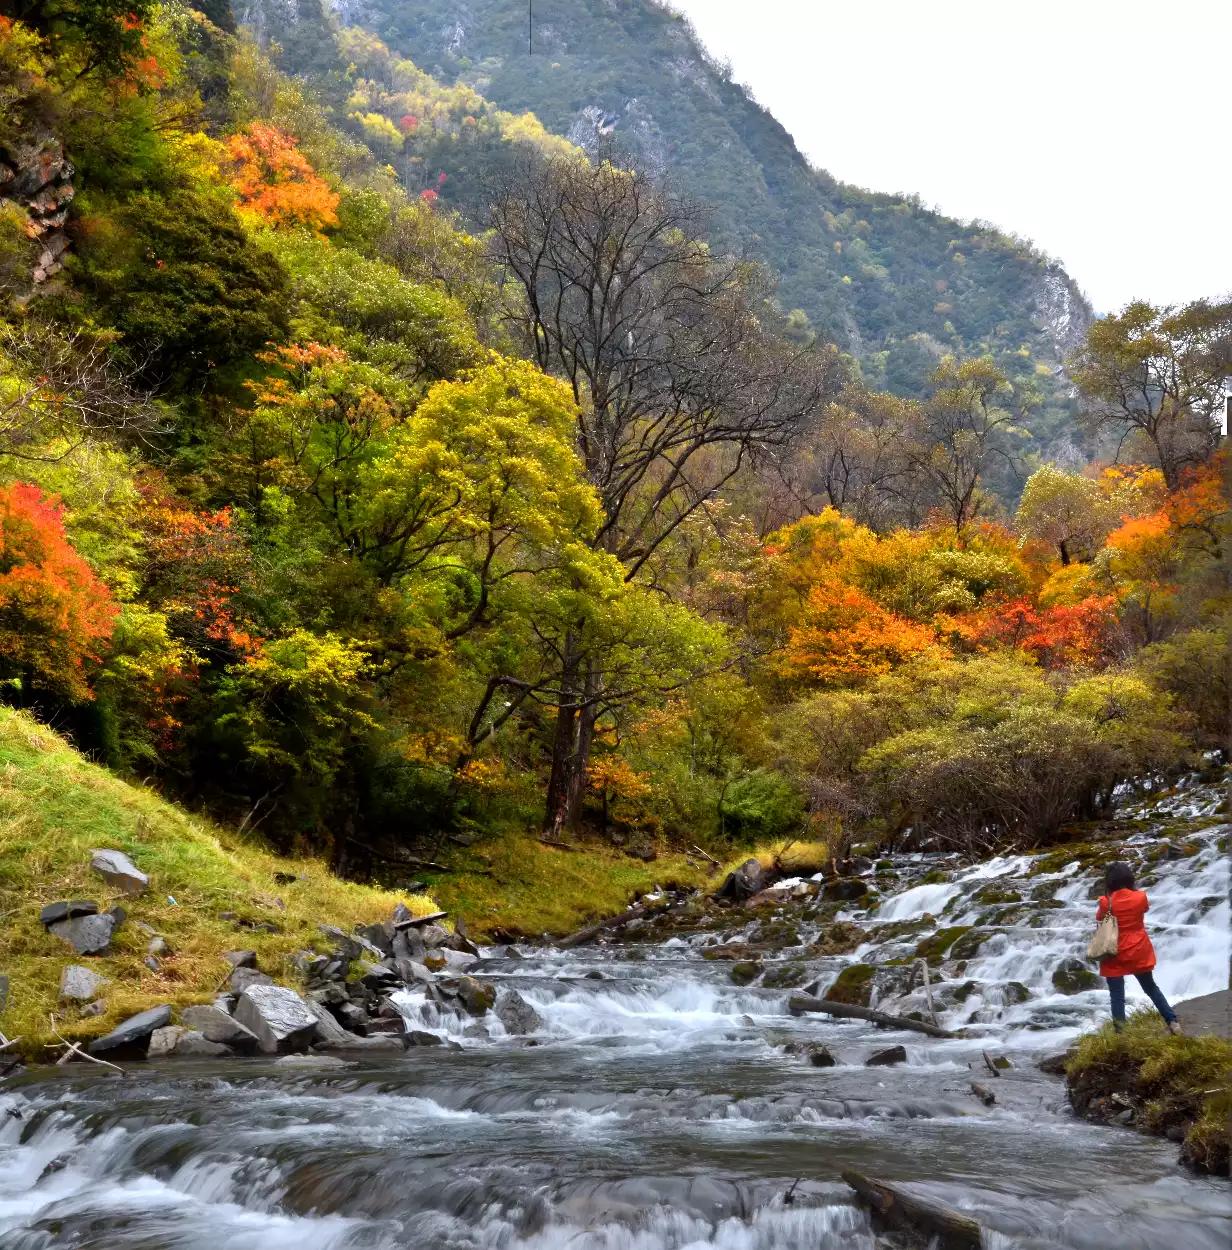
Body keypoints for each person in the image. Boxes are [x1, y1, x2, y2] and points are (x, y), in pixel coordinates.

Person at [1096, 861, 1181, 1034]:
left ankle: (1121, 1034)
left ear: (1110, 881)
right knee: (1151, 988)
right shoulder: (1141, 897)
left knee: (1117, 995)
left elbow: (1099, 918)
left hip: (1114, 951)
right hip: (1138, 948)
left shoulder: (1106, 902)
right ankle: (1173, 1022)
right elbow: (1144, 909)